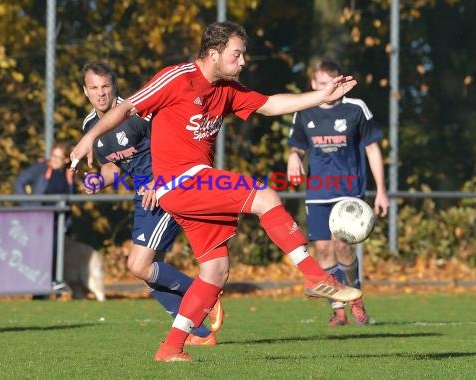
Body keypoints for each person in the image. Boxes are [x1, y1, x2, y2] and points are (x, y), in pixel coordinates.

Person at [71, 21, 362, 362]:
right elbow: (126, 108)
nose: (243, 62)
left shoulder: (226, 88)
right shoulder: (177, 78)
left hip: (191, 187)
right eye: (237, 54)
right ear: (213, 54)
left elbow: (269, 105)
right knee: (266, 197)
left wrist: (321, 96)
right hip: (180, 182)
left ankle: (171, 348)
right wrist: (88, 138)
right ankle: (315, 275)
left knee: (216, 270)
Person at [80, 61, 223, 345]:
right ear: (85, 92)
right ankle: (200, 332)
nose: (101, 93)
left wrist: (160, 182)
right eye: (94, 88)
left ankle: (204, 293)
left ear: (115, 86)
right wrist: (98, 180)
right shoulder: (90, 126)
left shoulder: (137, 112)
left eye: (106, 86)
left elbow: (172, 144)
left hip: (168, 188)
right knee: (149, 273)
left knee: (139, 265)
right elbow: (115, 167)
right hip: (143, 196)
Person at [287, 60, 390, 326]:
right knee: (322, 250)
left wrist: (381, 191)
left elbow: (372, 149)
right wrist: (293, 157)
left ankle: (355, 297)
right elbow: (297, 146)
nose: (326, 88)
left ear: (340, 83)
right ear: (313, 84)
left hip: (349, 190)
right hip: (319, 191)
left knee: (343, 246)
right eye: (321, 84)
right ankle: (338, 309)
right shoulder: (305, 111)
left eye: (331, 83)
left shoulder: (355, 108)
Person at [15, 142, 75, 298]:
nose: (54, 160)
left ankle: (54, 289)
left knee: (55, 256)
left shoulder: (68, 174)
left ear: (66, 160)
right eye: (53, 156)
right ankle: (40, 293)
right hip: (40, 222)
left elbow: (69, 199)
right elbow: (20, 181)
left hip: (58, 223)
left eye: (58, 157)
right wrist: (28, 205)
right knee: (42, 258)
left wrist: (67, 222)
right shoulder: (40, 169)